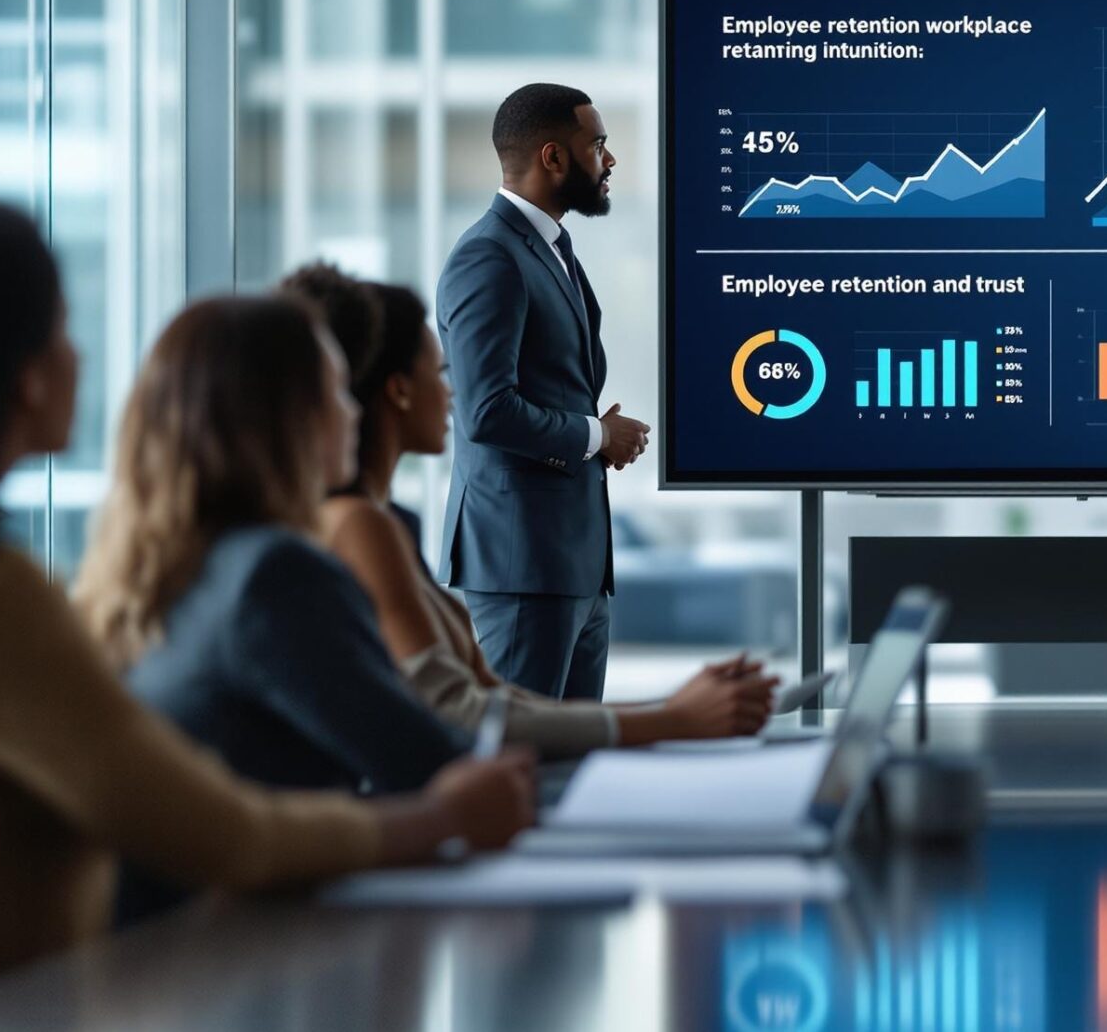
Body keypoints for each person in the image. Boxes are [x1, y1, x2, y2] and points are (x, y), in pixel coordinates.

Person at [0, 200, 532, 1011]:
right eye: (62, 327)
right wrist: (438, 817)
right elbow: (228, 837)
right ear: (22, 373)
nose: (80, 355)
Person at [70, 294, 535, 921]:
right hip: (219, 949)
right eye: (338, 391)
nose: (353, 411)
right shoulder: (275, 574)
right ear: (287, 419)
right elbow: (427, 762)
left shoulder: (168, 571)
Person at [281, 264, 777, 754]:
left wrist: (681, 708)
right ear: (399, 390)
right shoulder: (360, 527)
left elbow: (498, 700)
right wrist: (675, 718)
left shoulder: (384, 524)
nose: (453, 390)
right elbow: (464, 715)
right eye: (441, 371)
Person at [439, 83, 645, 700]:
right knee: (522, 746)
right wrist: (596, 435)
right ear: (553, 157)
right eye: (598, 145)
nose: (609, 160)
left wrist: (595, 435)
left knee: (574, 751)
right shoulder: (489, 257)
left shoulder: (551, 248)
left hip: (574, 566)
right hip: (522, 563)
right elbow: (485, 410)